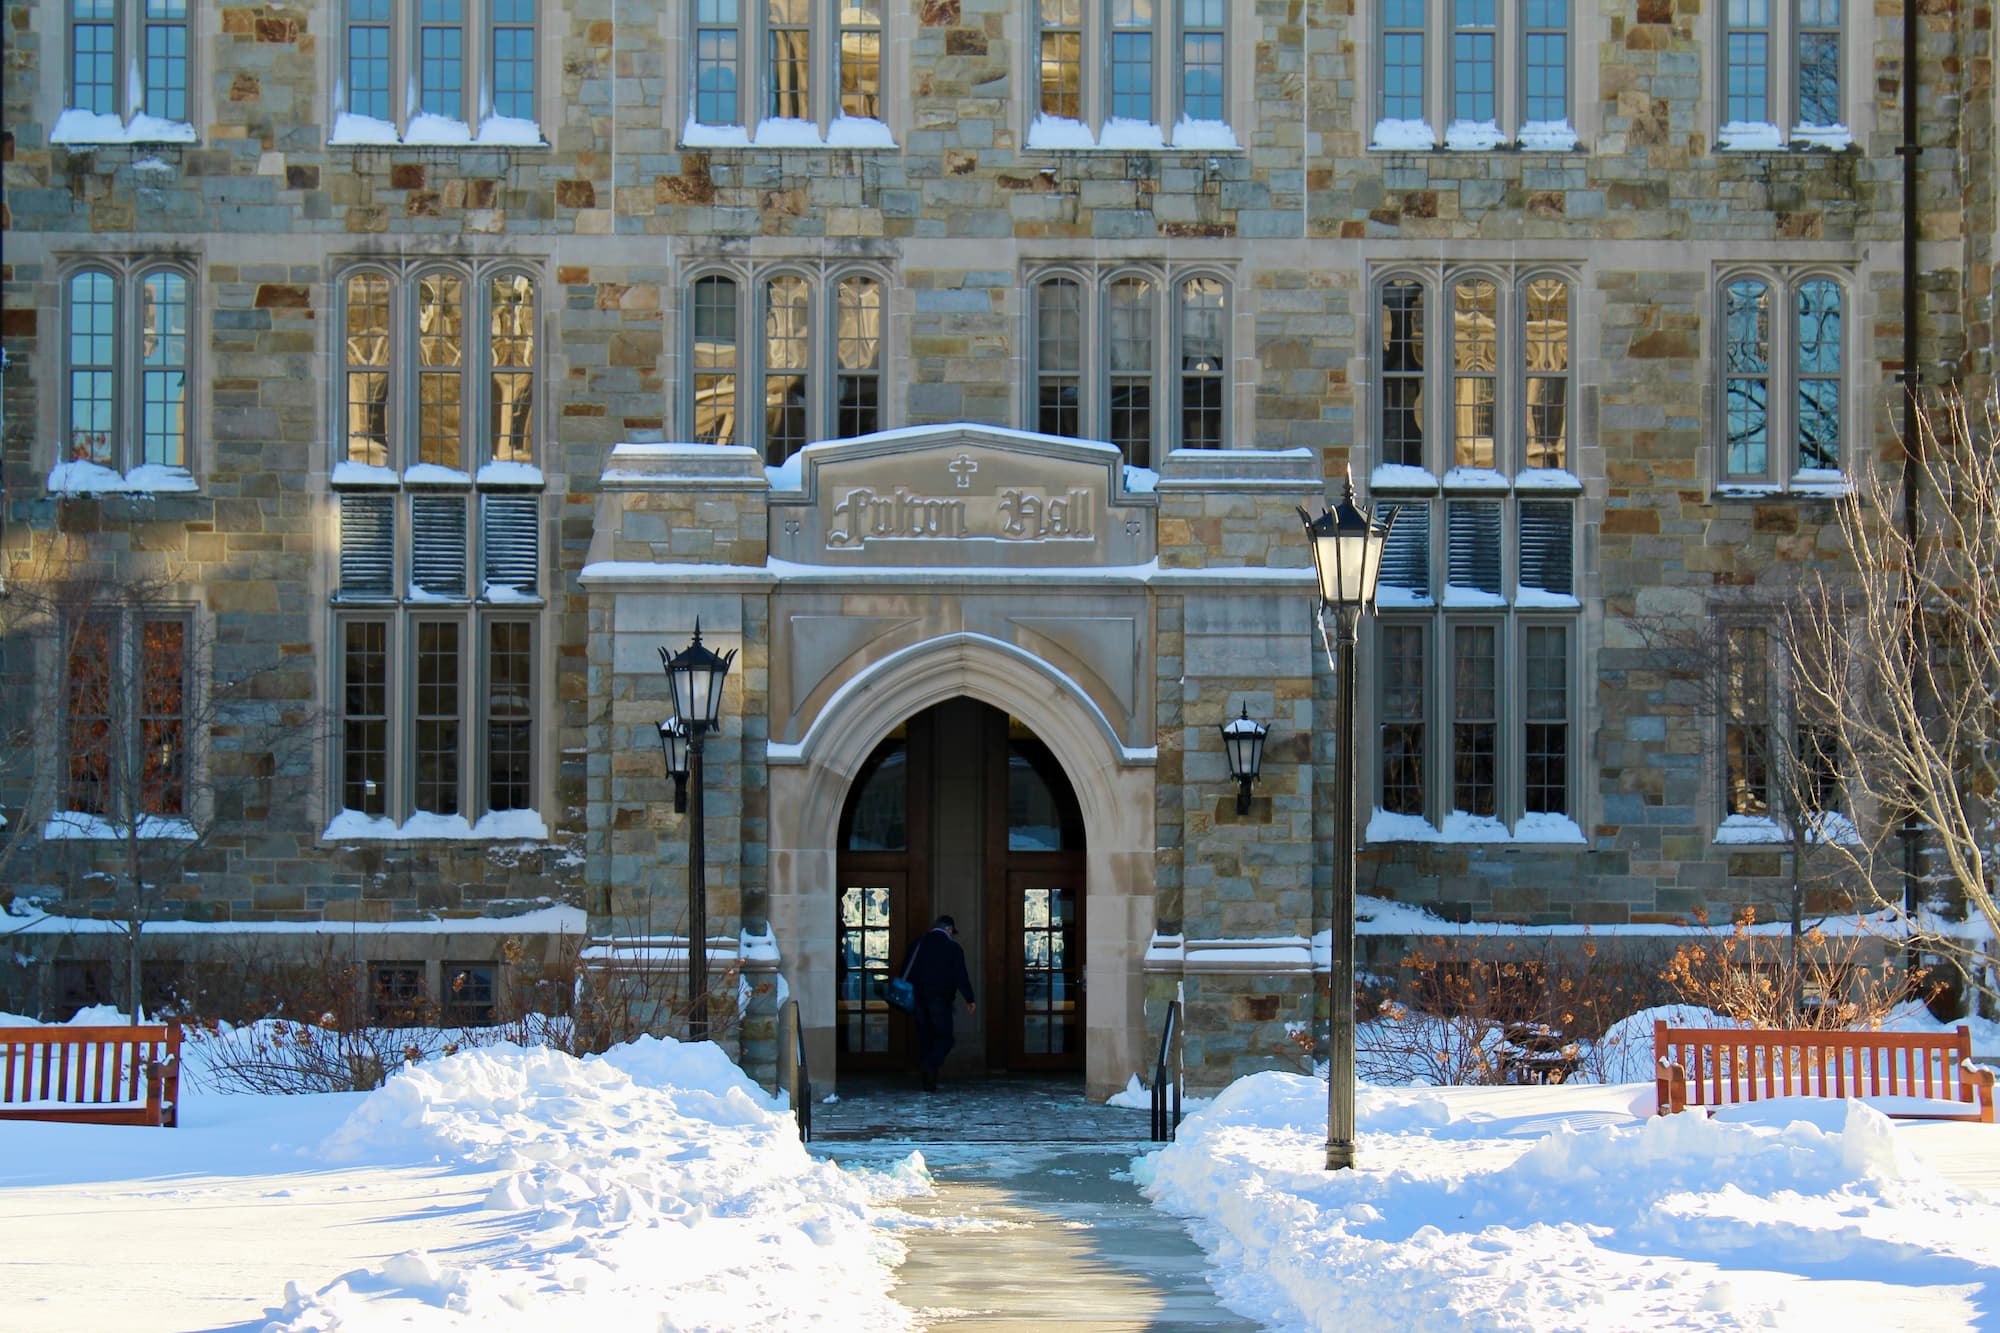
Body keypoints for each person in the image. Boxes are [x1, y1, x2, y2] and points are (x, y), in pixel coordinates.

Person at [900, 914, 976, 1093]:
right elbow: (961, 976)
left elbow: (906, 970)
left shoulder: (918, 945)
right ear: (948, 929)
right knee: (944, 1038)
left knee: (925, 1038)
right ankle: (930, 1066)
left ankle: (929, 1081)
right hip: (940, 1000)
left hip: (918, 999)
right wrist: (969, 998)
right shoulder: (952, 948)